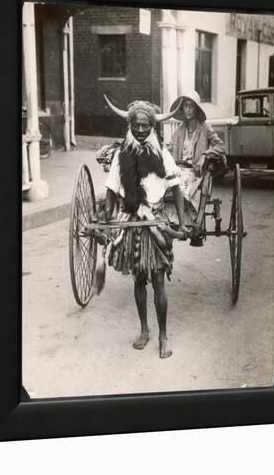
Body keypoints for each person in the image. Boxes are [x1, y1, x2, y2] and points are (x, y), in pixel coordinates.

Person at [102, 95, 189, 359]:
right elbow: (111, 190)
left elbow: (176, 188)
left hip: (157, 223)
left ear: (153, 126)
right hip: (132, 222)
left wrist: (183, 223)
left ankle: (163, 335)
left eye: (145, 125)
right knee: (139, 279)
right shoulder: (121, 156)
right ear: (130, 125)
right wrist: (106, 218)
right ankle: (144, 329)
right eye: (136, 125)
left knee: (159, 280)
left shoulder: (162, 154)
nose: (140, 130)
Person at [170, 91, 225, 233]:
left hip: (195, 172)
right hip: (178, 169)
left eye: (191, 106)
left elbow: (221, 146)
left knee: (181, 188)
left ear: (196, 109)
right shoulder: (178, 132)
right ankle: (171, 220)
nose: (188, 109)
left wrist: (205, 155)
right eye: (185, 106)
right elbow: (170, 151)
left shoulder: (205, 128)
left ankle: (189, 222)